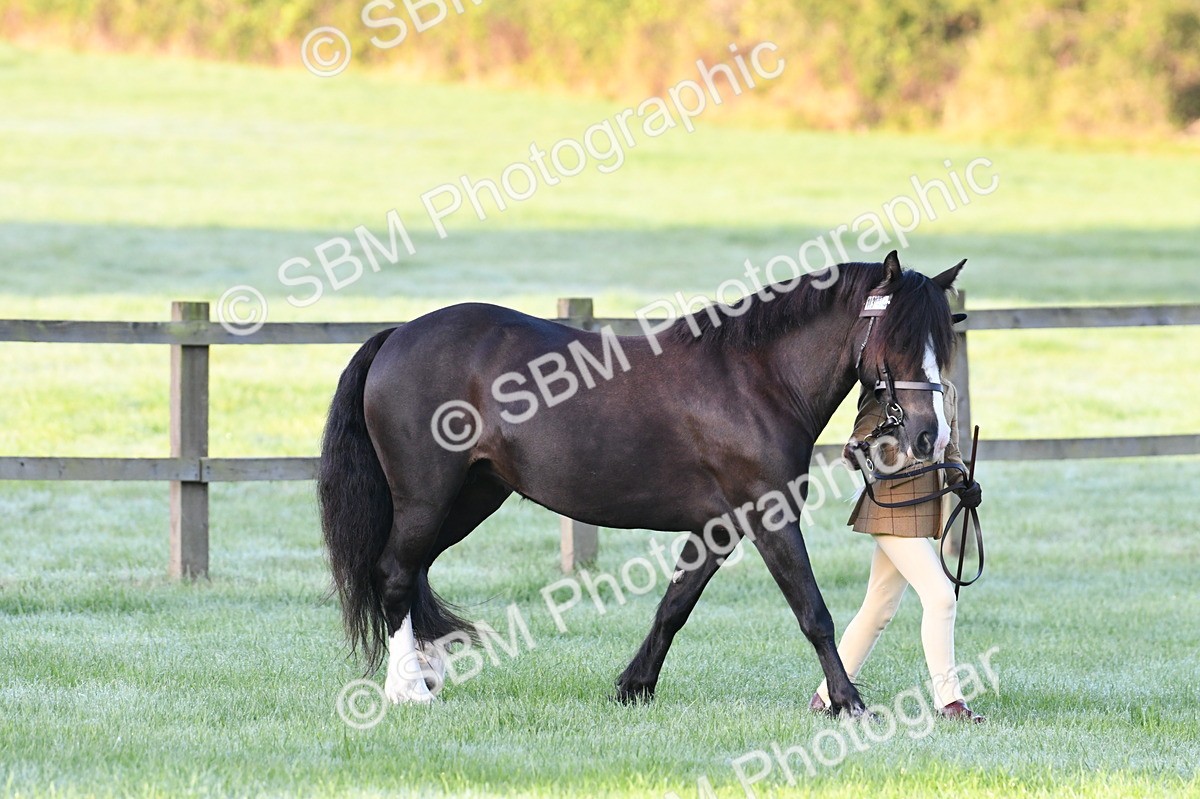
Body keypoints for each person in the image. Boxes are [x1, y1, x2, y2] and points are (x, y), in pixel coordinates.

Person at [810, 375, 985, 722]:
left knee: (878, 609)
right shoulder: (886, 391)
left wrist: (964, 483)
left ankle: (826, 697)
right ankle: (949, 700)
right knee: (940, 597)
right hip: (890, 506)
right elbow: (857, 446)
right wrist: (864, 452)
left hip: (921, 512)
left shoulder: (946, 391)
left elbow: (951, 452)